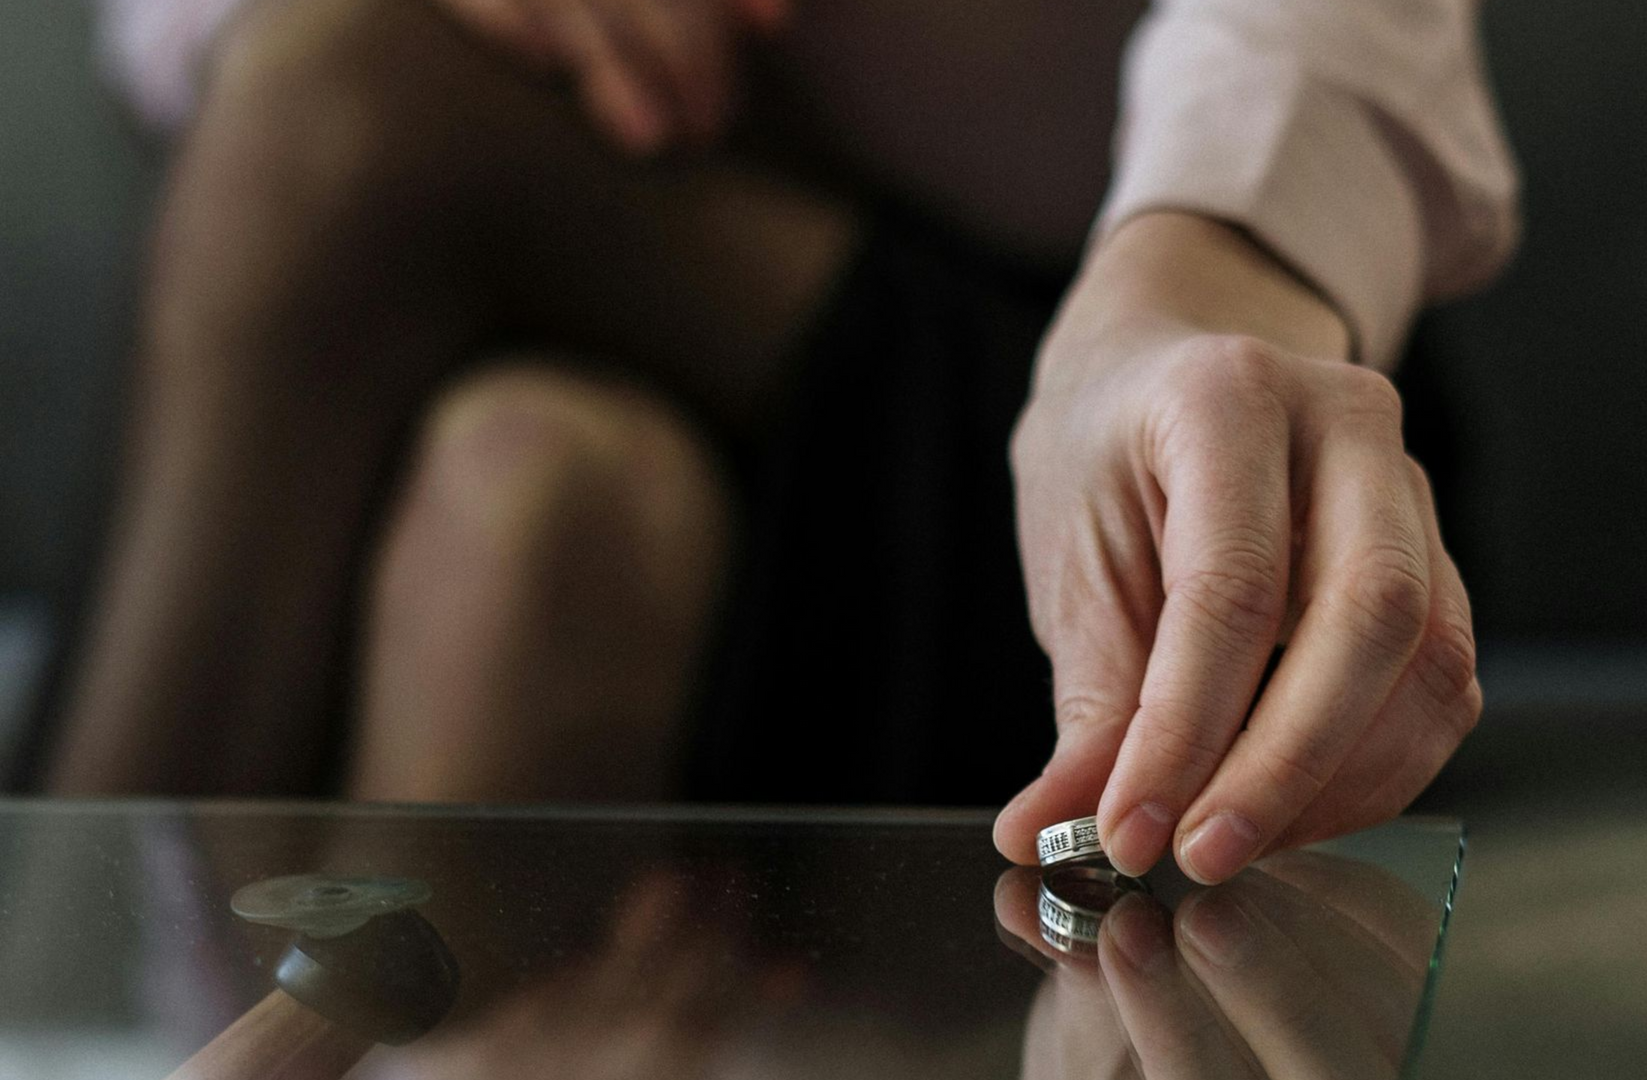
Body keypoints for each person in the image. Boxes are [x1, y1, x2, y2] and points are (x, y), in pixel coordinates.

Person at [49, 0, 1518, 886]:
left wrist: (1193, 282)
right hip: (578, 269)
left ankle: (64, 972)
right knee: (535, 490)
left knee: (338, 105)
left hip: (1034, 383)